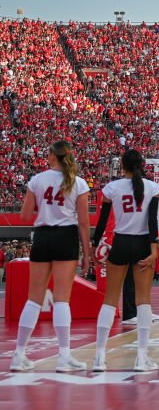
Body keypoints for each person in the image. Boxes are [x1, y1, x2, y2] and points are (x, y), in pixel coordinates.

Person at [10, 141, 92, 373]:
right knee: (62, 298)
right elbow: (84, 222)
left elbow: (25, 215)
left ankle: (19, 354)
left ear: (53, 156)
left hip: (42, 236)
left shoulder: (37, 180)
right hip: (65, 236)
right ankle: (64, 356)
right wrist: (87, 253)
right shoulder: (78, 182)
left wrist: (44, 206)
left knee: (33, 299)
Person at [90, 149, 159, 372]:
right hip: (142, 243)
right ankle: (142, 357)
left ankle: (99, 357)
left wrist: (94, 246)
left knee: (110, 300)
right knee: (144, 301)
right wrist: (154, 249)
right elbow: (152, 222)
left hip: (120, 242)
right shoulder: (152, 187)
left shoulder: (112, 188)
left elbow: (102, 220)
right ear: (142, 165)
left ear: (122, 165)